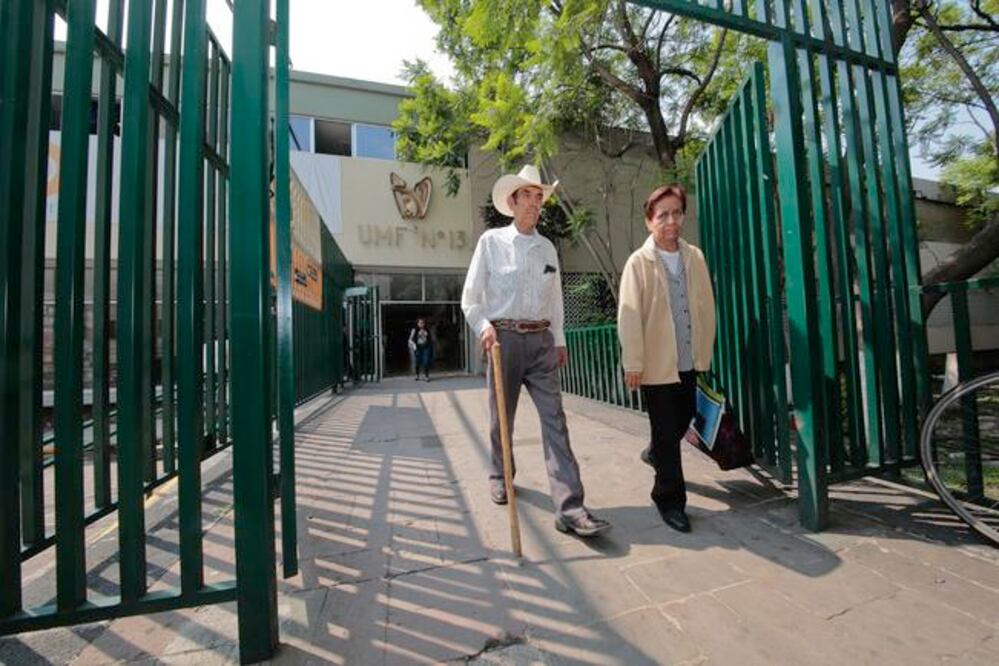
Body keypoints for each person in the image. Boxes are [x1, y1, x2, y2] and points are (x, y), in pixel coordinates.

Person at [461, 165, 610, 538]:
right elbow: (470, 299)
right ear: (511, 202)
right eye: (527, 195)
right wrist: (485, 328)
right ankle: (500, 473)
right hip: (504, 339)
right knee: (502, 418)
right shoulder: (491, 243)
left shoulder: (547, 248)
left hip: (542, 342)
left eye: (539, 197)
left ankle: (570, 507)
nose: (534, 203)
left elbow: (555, 298)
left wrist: (558, 339)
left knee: (555, 421)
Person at [617, 183, 716, 533]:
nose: (671, 221)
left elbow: (706, 305)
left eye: (677, 213)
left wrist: (705, 349)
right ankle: (669, 499)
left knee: (684, 417)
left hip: (688, 358)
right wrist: (634, 362)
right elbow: (629, 316)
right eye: (663, 215)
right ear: (649, 221)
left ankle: (658, 452)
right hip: (656, 363)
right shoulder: (638, 263)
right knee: (664, 428)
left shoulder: (695, 257)